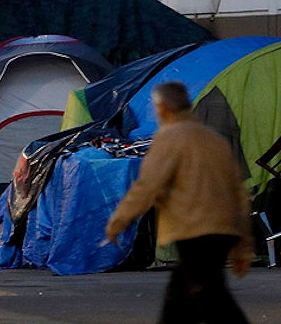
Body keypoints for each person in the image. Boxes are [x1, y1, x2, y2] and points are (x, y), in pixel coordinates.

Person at [105, 81, 252, 324]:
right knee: (183, 296)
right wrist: (243, 244)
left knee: (210, 296)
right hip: (223, 229)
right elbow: (239, 193)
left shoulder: (169, 138)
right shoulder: (214, 139)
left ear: (162, 108)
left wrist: (118, 221)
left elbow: (148, 186)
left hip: (194, 229)